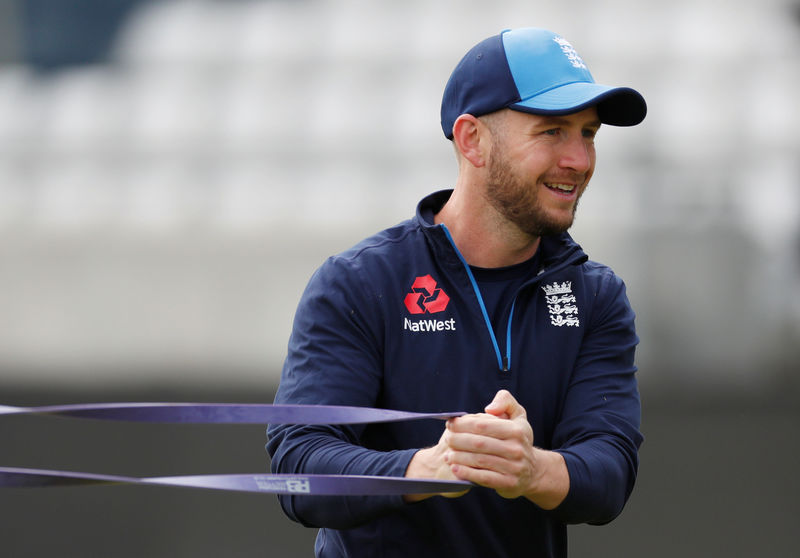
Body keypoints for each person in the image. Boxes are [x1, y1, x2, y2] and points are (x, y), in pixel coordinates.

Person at [267, 27, 646, 557]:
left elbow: (608, 474)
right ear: (472, 140)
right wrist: (428, 468)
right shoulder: (360, 282)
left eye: (588, 133)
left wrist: (530, 469)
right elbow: (299, 465)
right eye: (552, 131)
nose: (579, 160)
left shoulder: (596, 297)